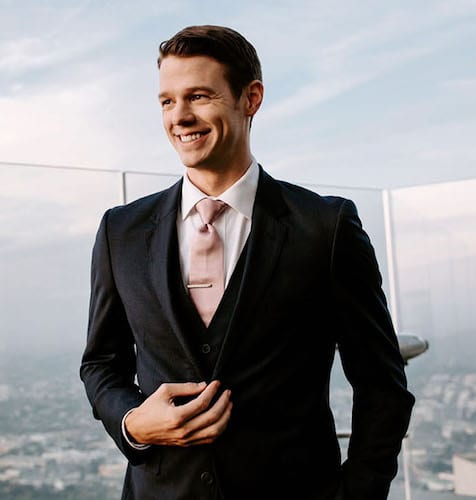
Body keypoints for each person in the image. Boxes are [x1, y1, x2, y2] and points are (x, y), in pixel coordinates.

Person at [80, 25, 414, 500]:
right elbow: (100, 364)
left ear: (251, 97)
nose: (181, 116)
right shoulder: (121, 231)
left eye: (198, 95)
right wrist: (134, 422)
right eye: (167, 101)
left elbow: (382, 386)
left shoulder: (326, 227)